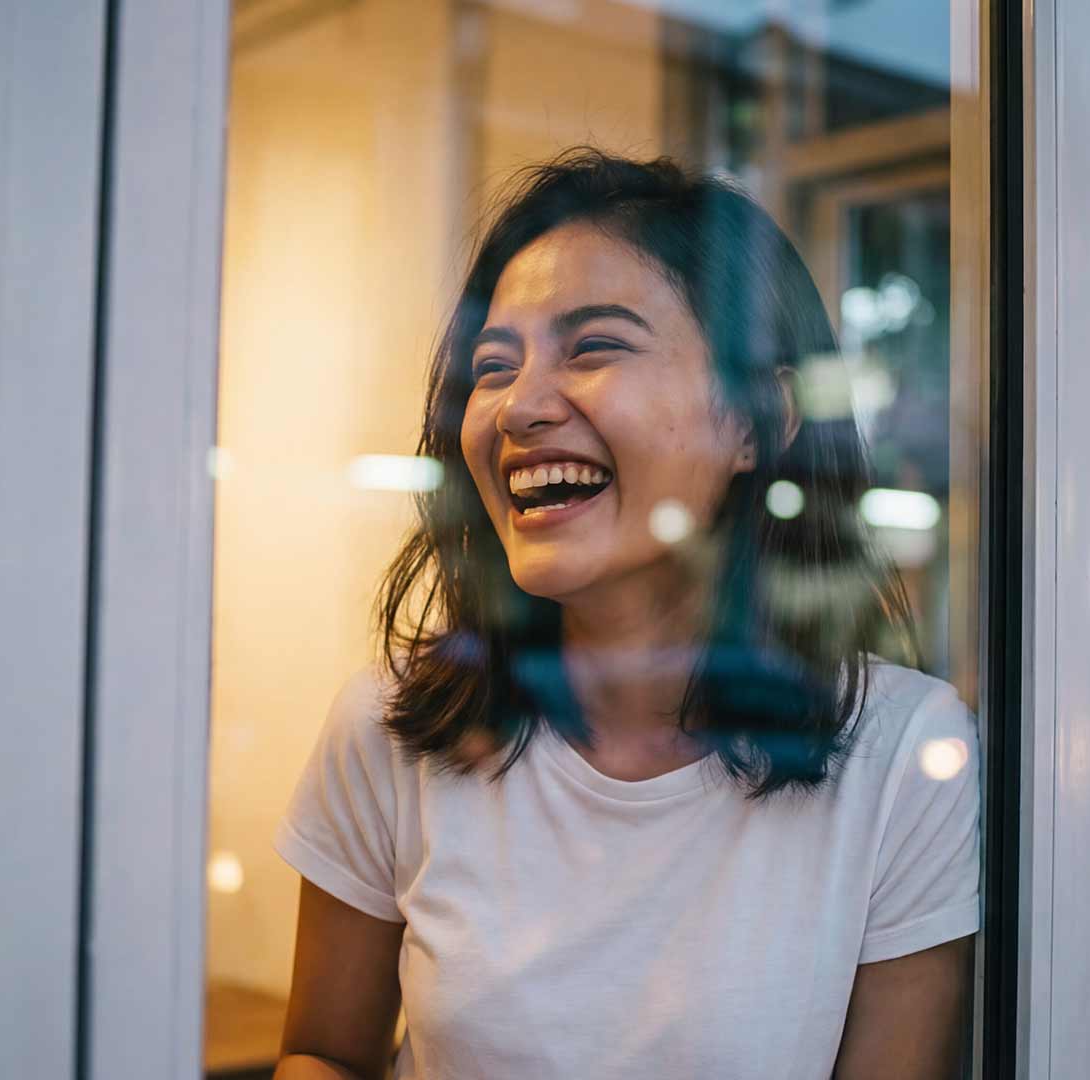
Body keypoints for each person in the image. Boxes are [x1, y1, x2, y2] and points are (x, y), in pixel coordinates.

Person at [273, 151, 981, 1079]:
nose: (518, 408)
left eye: (594, 347)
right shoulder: (393, 723)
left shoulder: (901, 755)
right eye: (494, 365)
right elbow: (322, 1056)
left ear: (757, 418)